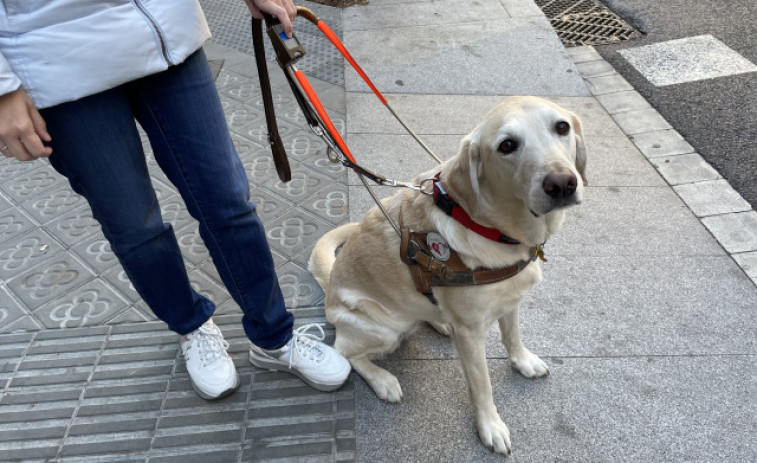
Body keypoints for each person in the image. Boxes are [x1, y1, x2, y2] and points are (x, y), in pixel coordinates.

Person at [0, 0, 350, 399]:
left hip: (164, 27)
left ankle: (274, 336)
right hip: (52, 59)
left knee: (227, 201)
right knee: (135, 225)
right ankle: (192, 326)